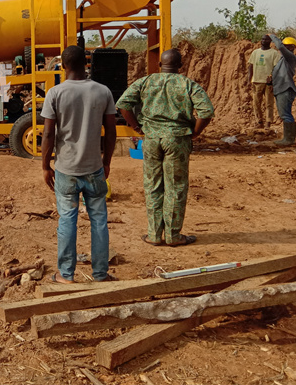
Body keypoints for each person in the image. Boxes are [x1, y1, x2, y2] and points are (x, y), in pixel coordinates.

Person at [116, 49, 213, 247]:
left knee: (153, 186)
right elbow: (207, 111)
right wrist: (195, 132)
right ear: (180, 66)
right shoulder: (187, 84)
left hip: (151, 139)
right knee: (175, 187)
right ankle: (173, 236)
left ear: (160, 65)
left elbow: (123, 104)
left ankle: (153, 235)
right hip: (177, 140)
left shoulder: (146, 81)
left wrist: (137, 127)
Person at [41, 45, 117, 283]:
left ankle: (65, 275)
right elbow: (111, 131)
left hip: (66, 170)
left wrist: (45, 165)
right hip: (94, 168)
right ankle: (100, 274)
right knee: (99, 221)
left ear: (63, 65)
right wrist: (106, 162)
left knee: (67, 220)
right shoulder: (102, 91)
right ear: (85, 63)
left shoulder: (55, 93)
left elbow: (48, 135)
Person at [267, 34, 296, 146]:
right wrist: (270, 82)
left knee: (285, 114)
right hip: (281, 89)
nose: (283, 48)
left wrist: (272, 36)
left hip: (285, 89)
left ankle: (289, 140)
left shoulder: (290, 58)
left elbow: (279, 46)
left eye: (286, 46)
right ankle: (288, 139)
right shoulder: (282, 60)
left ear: (291, 47)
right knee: (284, 114)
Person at [247, 35, 280, 128]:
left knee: (269, 103)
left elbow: (276, 68)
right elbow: (250, 66)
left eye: (266, 39)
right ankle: (259, 122)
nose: (263, 40)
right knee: (256, 103)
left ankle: (268, 123)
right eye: (262, 39)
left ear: (270, 41)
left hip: (268, 82)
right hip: (257, 81)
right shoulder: (255, 52)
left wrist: (273, 78)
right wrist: (249, 79)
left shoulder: (274, 53)